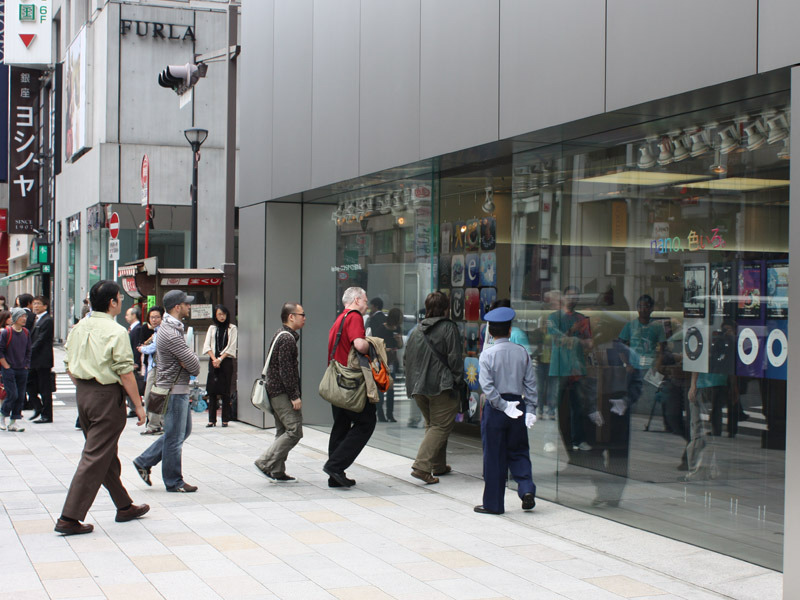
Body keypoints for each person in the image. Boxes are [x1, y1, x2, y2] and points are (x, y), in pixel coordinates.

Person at [56, 280, 149, 535]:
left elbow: (68, 364)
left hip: (83, 394)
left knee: (103, 453)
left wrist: (85, 386)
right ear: (112, 302)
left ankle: (124, 505)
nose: (122, 301)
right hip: (106, 396)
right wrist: (138, 407)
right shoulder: (116, 331)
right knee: (95, 456)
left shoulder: (78, 327)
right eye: (120, 297)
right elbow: (126, 373)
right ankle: (69, 517)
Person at [133, 290, 201, 493]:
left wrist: (189, 360)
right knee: (174, 437)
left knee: (181, 432)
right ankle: (174, 481)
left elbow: (189, 361)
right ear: (177, 307)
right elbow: (194, 365)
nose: (189, 307)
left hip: (176, 387)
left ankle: (144, 461)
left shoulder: (172, 328)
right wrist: (190, 361)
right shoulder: (171, 333)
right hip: (173, 389)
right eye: (186, 304)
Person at [474, 306, 537, 515]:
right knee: (519, 450)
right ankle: (526, 488)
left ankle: (494, 504)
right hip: (518, 405)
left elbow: (488, 387)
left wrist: (502, 405)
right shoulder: (522, 352)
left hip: (496, 408)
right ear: (510, 331)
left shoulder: (487, 355)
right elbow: (530, 384)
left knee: (494, 456)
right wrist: (531, 408)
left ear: (490, 332)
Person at [404, 291, 464, 484]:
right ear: (446, 308)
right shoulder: (448, 328)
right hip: (441, 386)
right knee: (440, 425)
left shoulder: (417, 329)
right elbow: (454, 358)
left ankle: (438, 465)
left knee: (433, 424)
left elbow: (407, 359)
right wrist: (458, 380)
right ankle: (422, 466)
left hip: (418, 386)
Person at [323, 286, 374, 488]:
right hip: (351, 383)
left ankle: (335, 474)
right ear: (356, 300)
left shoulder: (339, 319)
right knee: (367, 422)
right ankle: (335, 466)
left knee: (341, 425)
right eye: (365, 300)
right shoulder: (354, 317)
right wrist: (373, 344)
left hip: (338, 381)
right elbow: (360, 345)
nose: (367, 304)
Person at [254, 302, 306, 481]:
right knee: (294, 430)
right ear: (291, 317)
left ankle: (276, 470)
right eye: (302, 314)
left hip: (274, 390)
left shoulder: (281, 334)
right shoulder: (287, 339)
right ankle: (265, 462)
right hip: (281, 392)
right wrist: (294, 396)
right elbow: (286, 370)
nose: (304, 318)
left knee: (282, 430)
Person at [548, 285, 594, 452]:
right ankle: (553, 440)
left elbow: (589, 343)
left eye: (576, 296)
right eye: (570, 296)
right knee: (556, 407)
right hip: (560, 368)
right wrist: (573, 332)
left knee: (578, 406)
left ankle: (578, 440)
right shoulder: (553, 318)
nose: (572, 299)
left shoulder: (582, 318)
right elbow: (557, 339)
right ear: (564, 298)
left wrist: (579, 340)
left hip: (577, 369)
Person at [203, 305, 238, 427]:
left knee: (225, 390)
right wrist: (214, 359)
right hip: (213, 361)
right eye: (219, 314)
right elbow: (207, 345)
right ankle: (211, 420)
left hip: (226, 361)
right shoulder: (212, 328)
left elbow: (232, 346)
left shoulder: (232, 328)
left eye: (223, 314)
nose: (222, 317)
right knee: (212, 390)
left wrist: (220, 359)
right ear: (215, 315)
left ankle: (225, 419)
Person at [0, 308, 32, 432]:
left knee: (20, 397)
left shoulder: (26, 332)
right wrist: (6, 366)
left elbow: (29, 350)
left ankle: (13, 422)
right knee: (12, 394)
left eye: (25, 316)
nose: (24, 319)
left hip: (22, 369)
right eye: (21, 316)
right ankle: (2, 416)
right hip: (9, 369)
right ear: (15, 318)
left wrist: (26, 365)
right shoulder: (6, 332)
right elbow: (0, 350)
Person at [371, 306, 402, 422]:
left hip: (392, 362)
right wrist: (386, 349)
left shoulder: (397, 329)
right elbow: (375, 345)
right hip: (382, 361)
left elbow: (400, 346)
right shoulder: (382, 329)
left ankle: (390, 414)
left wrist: (398, 340)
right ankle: (381, 414)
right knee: (381, 389)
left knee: (391, 389)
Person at [28, 296, 54, 423]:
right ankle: (38, 407)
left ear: (45, 306)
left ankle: (47, 415)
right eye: (34, 304)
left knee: (45, 388)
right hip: (34, 359)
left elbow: (41, 339)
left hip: (43, 359)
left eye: (38, 304)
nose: (35, 306)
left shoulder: (47, 320)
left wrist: (29, 351)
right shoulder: (35, 319)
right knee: (29, 384)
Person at [138, 306, 164, 435]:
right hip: (152, 367)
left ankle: (155, 425)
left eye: (157, 317)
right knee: (152, 397)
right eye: (152, 317)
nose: (154, 320)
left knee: (151, 396)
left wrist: (142, 349)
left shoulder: (162, 331)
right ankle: (156, 424)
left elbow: (154, 348)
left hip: (158, 368)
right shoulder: (155, 332)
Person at [125, 306, 145, 418]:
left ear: (134, 315)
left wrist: (136, 362)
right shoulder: (133, 329)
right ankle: (133, 407)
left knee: (133, 385)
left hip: (134, 362)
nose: (126, 317)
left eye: (128, 314)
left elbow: (136, 348)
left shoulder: (137, 329)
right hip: (132, 361)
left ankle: (134, 408)